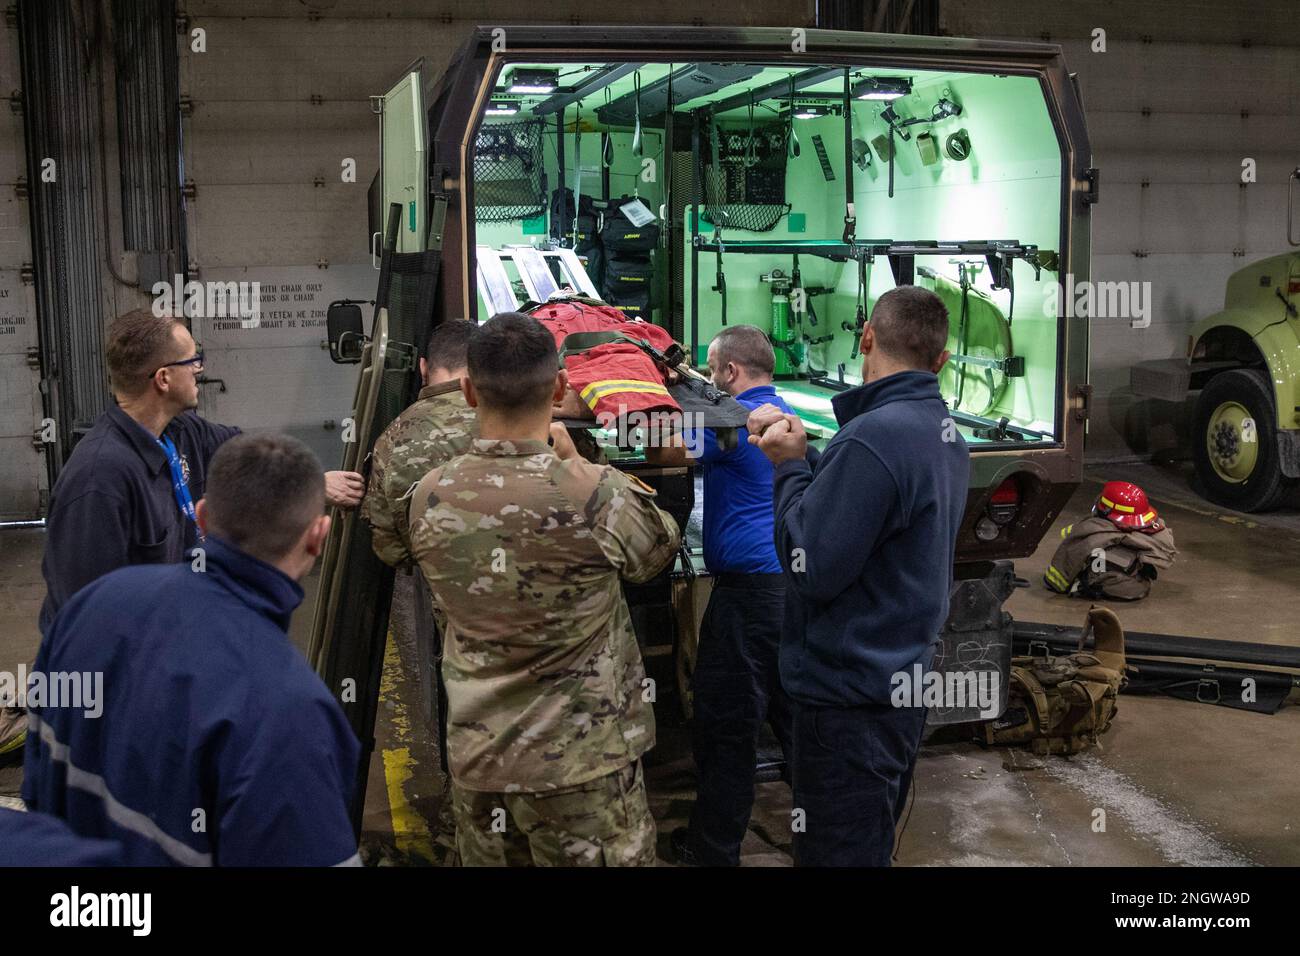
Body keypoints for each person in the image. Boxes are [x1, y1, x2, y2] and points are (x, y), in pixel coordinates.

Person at [407, 312, 680, 867]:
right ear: (559, 388)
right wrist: (579, 466)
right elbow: (656, 554)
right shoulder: (595, 494)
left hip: (481, 766)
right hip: (583, 771)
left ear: (466, 391)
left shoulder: (429, 495)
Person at [23, 433, 360, 866]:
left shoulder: (91, 605)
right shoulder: (291, 711)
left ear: (201, 519)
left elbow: (37, 780)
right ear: (318, 535)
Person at [747, 285, 971, 867]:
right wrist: (819, 464)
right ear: (940, 361)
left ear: (866, 336)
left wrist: (790, 466)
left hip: (849, 705)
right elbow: (875, 518)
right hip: (899, 686)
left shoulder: (873, 437)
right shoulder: (941, 433)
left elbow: (811, 566)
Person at [37, 308, 364, 633]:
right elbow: (85, 619)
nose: (199, 368)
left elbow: (248, 457)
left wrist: (312, 484)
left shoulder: (180, 432)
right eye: (192, 360)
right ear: (164, 378)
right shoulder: (99, 479)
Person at [670, 325, 796, 867]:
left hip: (749, 598)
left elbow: (669, 443)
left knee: (728, 724)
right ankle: (824, 839)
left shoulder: (735, 424)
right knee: (794, 719)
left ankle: (712, 850)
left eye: (710, 366)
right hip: (793, 590)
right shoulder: (781, 413)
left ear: (728, 374)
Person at [364, 318, 478, 569]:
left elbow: (389, 548)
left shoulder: (391, 437)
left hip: (437, 588)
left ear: (423, 367)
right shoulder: (509, 417)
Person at [1044, 480, 1176, 600]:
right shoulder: (1156, 526)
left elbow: (1072, 555)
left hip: (1124, 579)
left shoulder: (1093, 533)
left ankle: (1097, 579)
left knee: (1100, 565)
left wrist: (1058, 583)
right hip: (1135, 575)